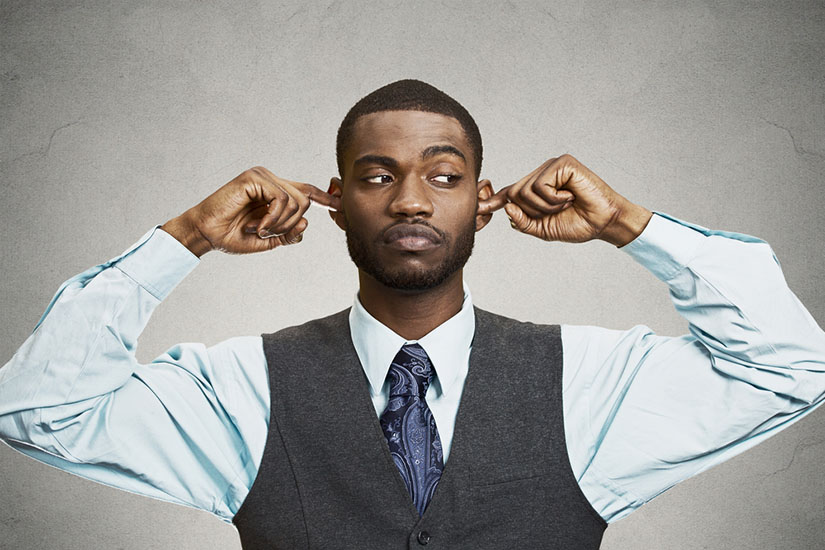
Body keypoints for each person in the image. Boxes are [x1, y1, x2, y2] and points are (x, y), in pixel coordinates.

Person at [1, 79, 824, 549]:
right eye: (373, 175)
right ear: (332, 204)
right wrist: (182, 239)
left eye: (441, 175)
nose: (407, 201)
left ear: (483, 199)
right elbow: (38, 413)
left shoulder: (590, 381)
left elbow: (790, 368)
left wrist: (625, 224)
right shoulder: (240, 387)